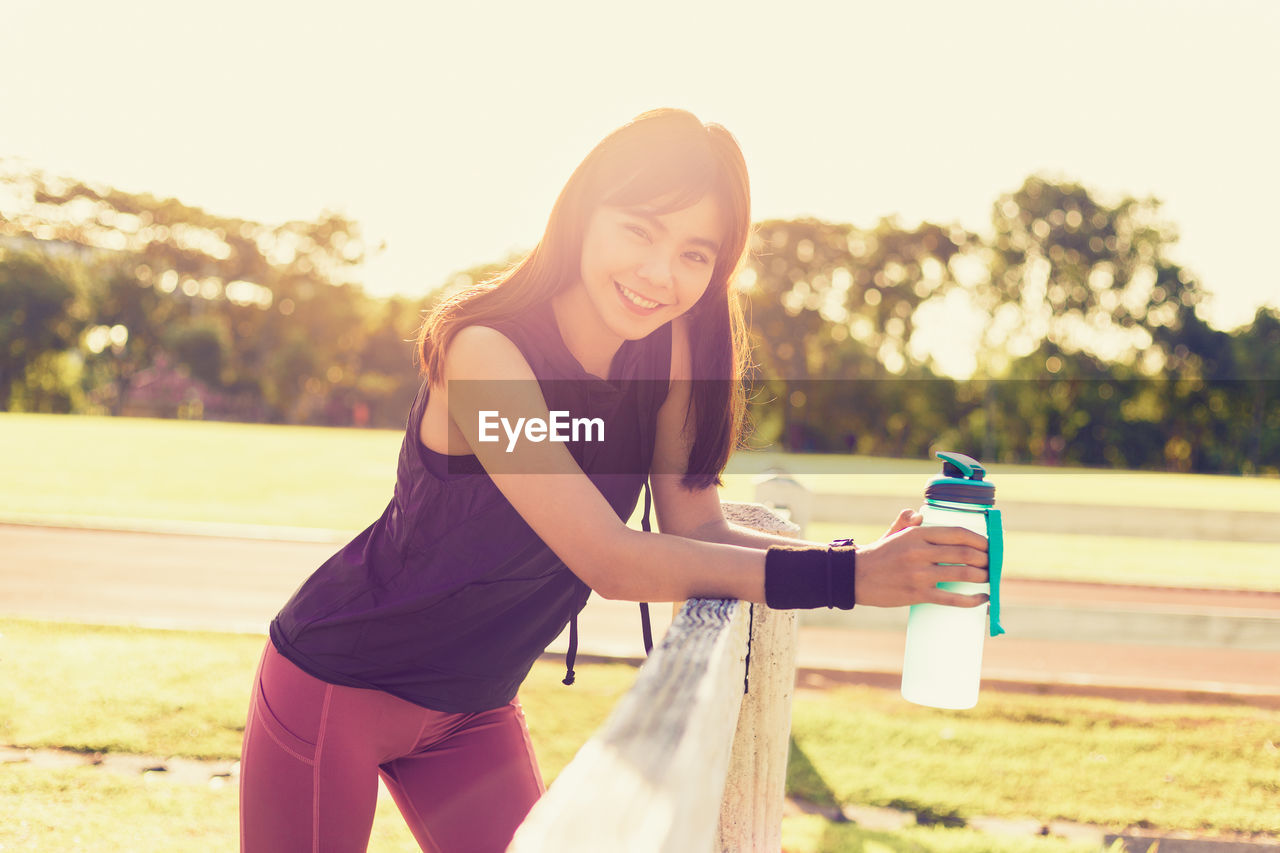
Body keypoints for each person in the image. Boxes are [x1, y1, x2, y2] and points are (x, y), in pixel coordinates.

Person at [238, 108, 989, 853]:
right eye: (640, 229)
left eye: (696, 253)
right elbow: (607, 556)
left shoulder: (666, 355)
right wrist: (850, 576)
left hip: (471, 710)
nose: (661, 274)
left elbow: (696, 529)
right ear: (582, 213)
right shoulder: (486, 354)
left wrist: (867, 557)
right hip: (339, 682)